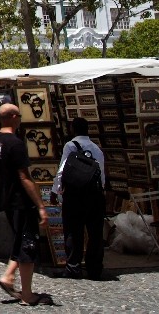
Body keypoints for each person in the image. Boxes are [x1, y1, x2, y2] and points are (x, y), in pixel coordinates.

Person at [0, 103, 52, 306]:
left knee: (21, 240)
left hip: (5, 200)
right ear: (14, 117)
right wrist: (41, 205)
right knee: (28, 245)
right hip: (20, 201)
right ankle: (27, 294)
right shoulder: (15, 144)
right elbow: (24, 177)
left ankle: (8, 275)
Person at [50, 117, 106, 280]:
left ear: (73, 129)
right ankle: (94, 268)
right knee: (95, 233)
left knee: (74, 231)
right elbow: (101, 174)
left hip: (75, 195)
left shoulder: (70, 146)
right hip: (95, 196)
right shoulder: (97, 149)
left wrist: (55, 191)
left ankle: (73, 267)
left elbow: (62, 170)